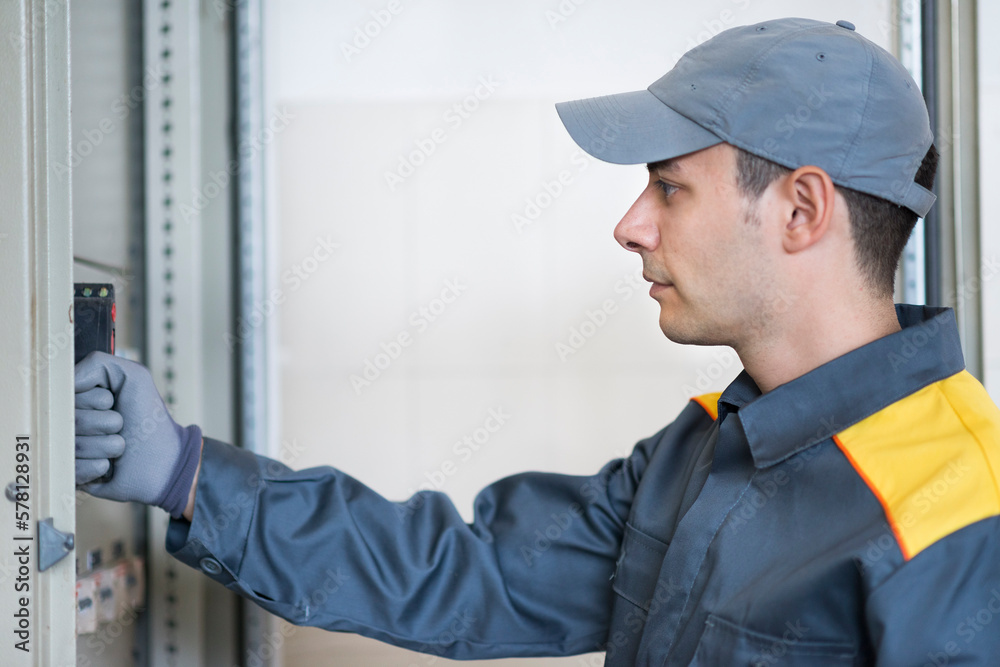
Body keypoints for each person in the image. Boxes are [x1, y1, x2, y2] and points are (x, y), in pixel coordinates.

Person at [74, 17, 1000, 665]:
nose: (631, 225)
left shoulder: (962, 513)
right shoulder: (708, 448)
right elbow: (465, 574)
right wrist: (188, 474)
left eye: (670, 187)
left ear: (801, 209)